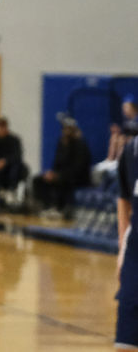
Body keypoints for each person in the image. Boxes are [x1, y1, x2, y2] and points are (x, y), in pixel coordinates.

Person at [33, 118, 92, 218]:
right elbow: (57, 162)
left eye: (69, 129)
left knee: (60, 180)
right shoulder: (61, 143)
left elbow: (78, 168)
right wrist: (52, 172)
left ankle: (59, 208)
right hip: (62, 173)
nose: (66, 132)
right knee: (38, 180)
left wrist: (59, 175)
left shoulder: (80, 144)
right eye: (65, 129)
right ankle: (46, 206)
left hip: (77, 177)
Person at [116, 133, 138, 351]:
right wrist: (122, 248)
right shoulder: (132, 151)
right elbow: (123, 198)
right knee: (125, 344)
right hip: (135, 254)